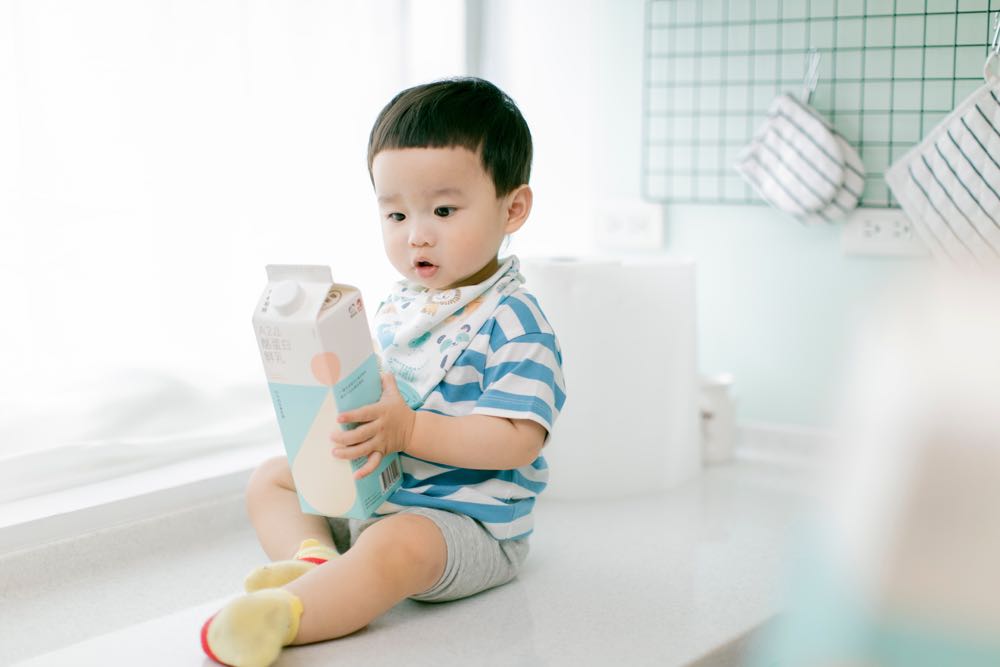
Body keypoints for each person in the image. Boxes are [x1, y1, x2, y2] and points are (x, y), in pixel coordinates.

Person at [201, 77, 567, 667]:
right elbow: (387, 392)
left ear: (513, 208)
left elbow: (517, 441)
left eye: (443, 210)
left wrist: (409, 431)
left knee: (396, 545)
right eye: (395, 213)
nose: (416, 234)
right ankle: (313, 560)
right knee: (272, 479)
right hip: (380, 494)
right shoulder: (402, 303)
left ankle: (290, 615)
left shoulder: (515, 320)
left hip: (463, 523)